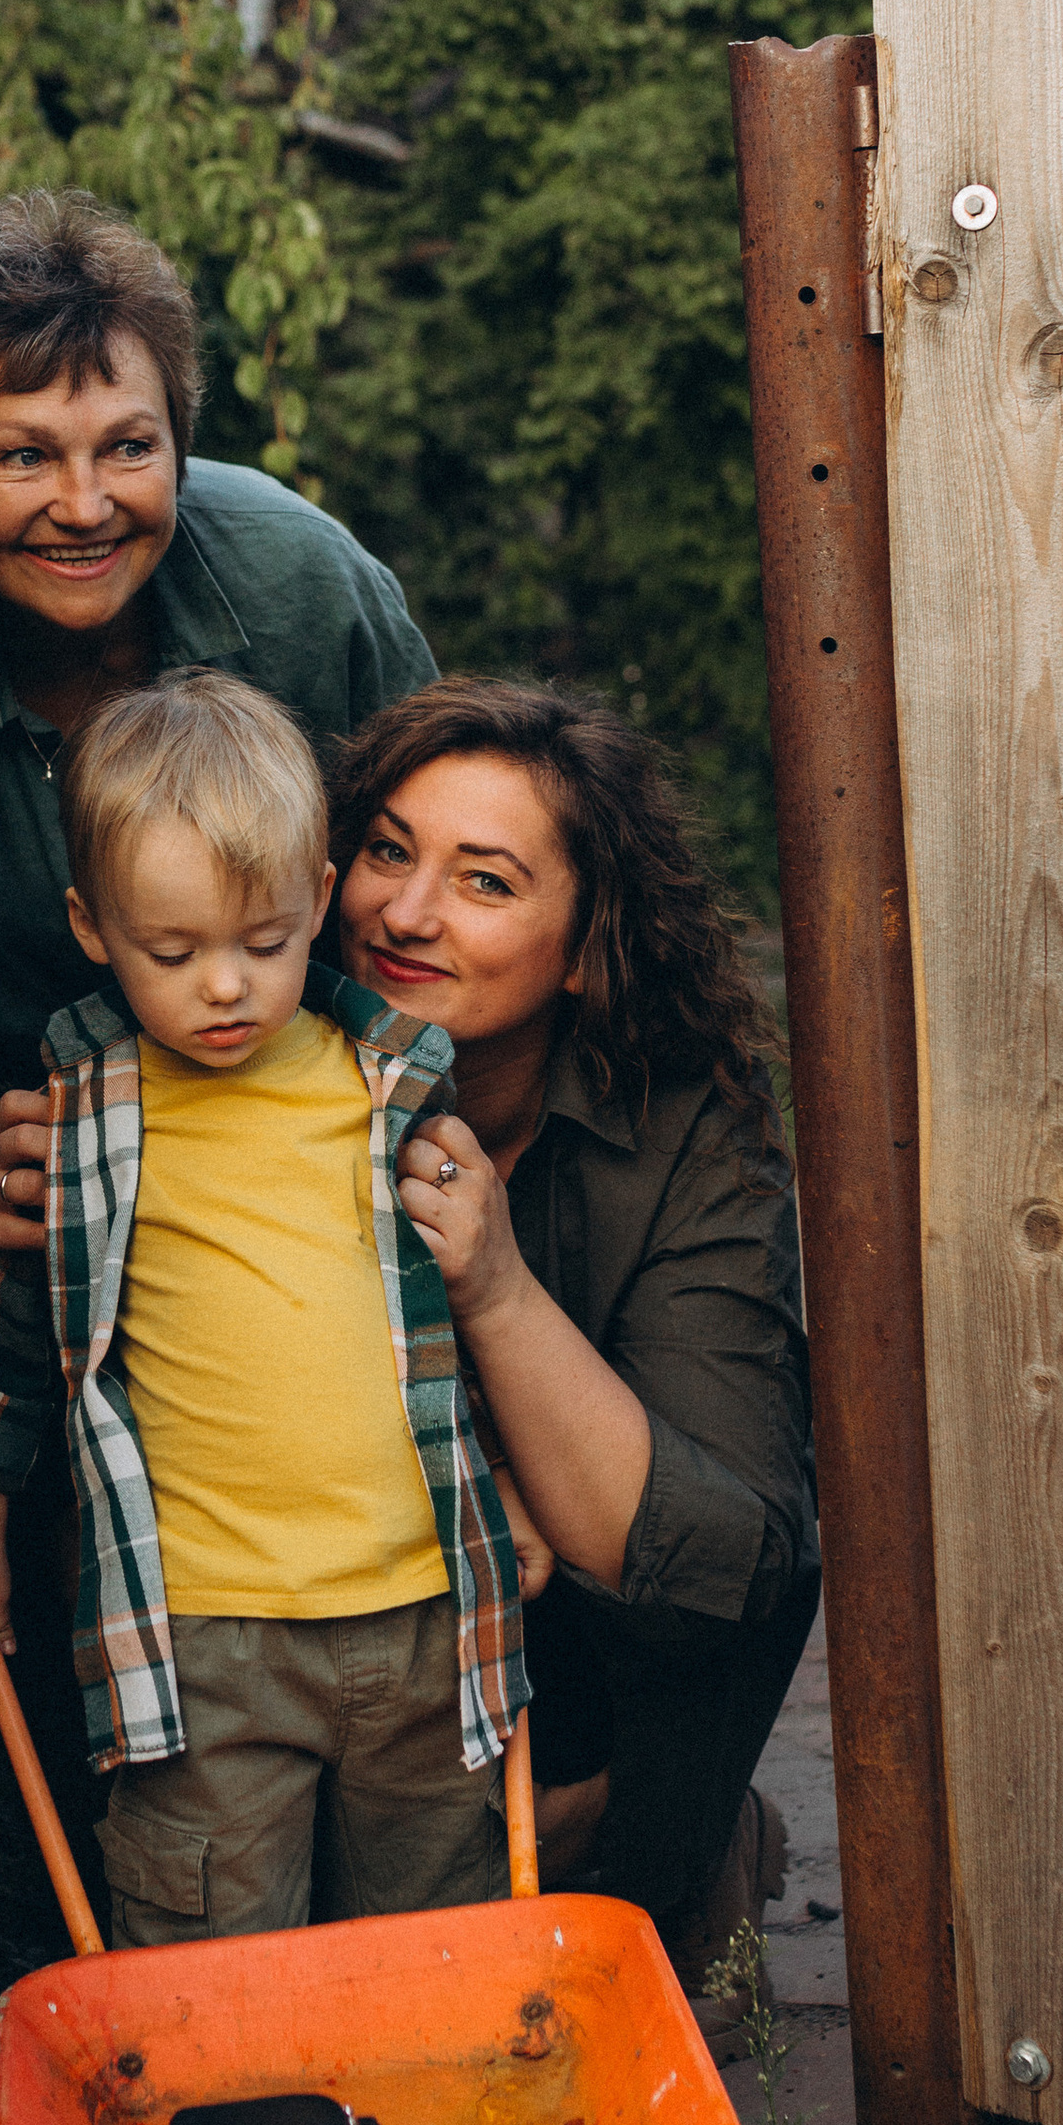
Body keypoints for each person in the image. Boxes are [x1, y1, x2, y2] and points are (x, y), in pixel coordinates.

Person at [0, 671, 533, 1945]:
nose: (226, 988)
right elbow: (8, 1343)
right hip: (197, 1642)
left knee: (432, 1953)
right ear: (91, 925)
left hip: (424, 1618)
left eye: (268, 940)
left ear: (321, 894)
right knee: (213, 1953)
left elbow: (451, 1322)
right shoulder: (83, 1122)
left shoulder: (385, 1089)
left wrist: (508, 1490)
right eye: (173, 953)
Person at [0, 187, 438, 1213]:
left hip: (338, 1138)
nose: (84, 507)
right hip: (46, 1188)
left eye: (129, 446)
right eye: (23, 454)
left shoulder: (304, 583)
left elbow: (436, 878)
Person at [324, 679, 817, 1993]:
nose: (406, 914)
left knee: (724, 1564)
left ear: (587, 946)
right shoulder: (235, 1058)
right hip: (325, 1630)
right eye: (385, 851)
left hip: (598, 1651)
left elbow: (726, 1563)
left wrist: (494, 1289)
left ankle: (658, 1872)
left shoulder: (679, 1125)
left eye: (483, 883)